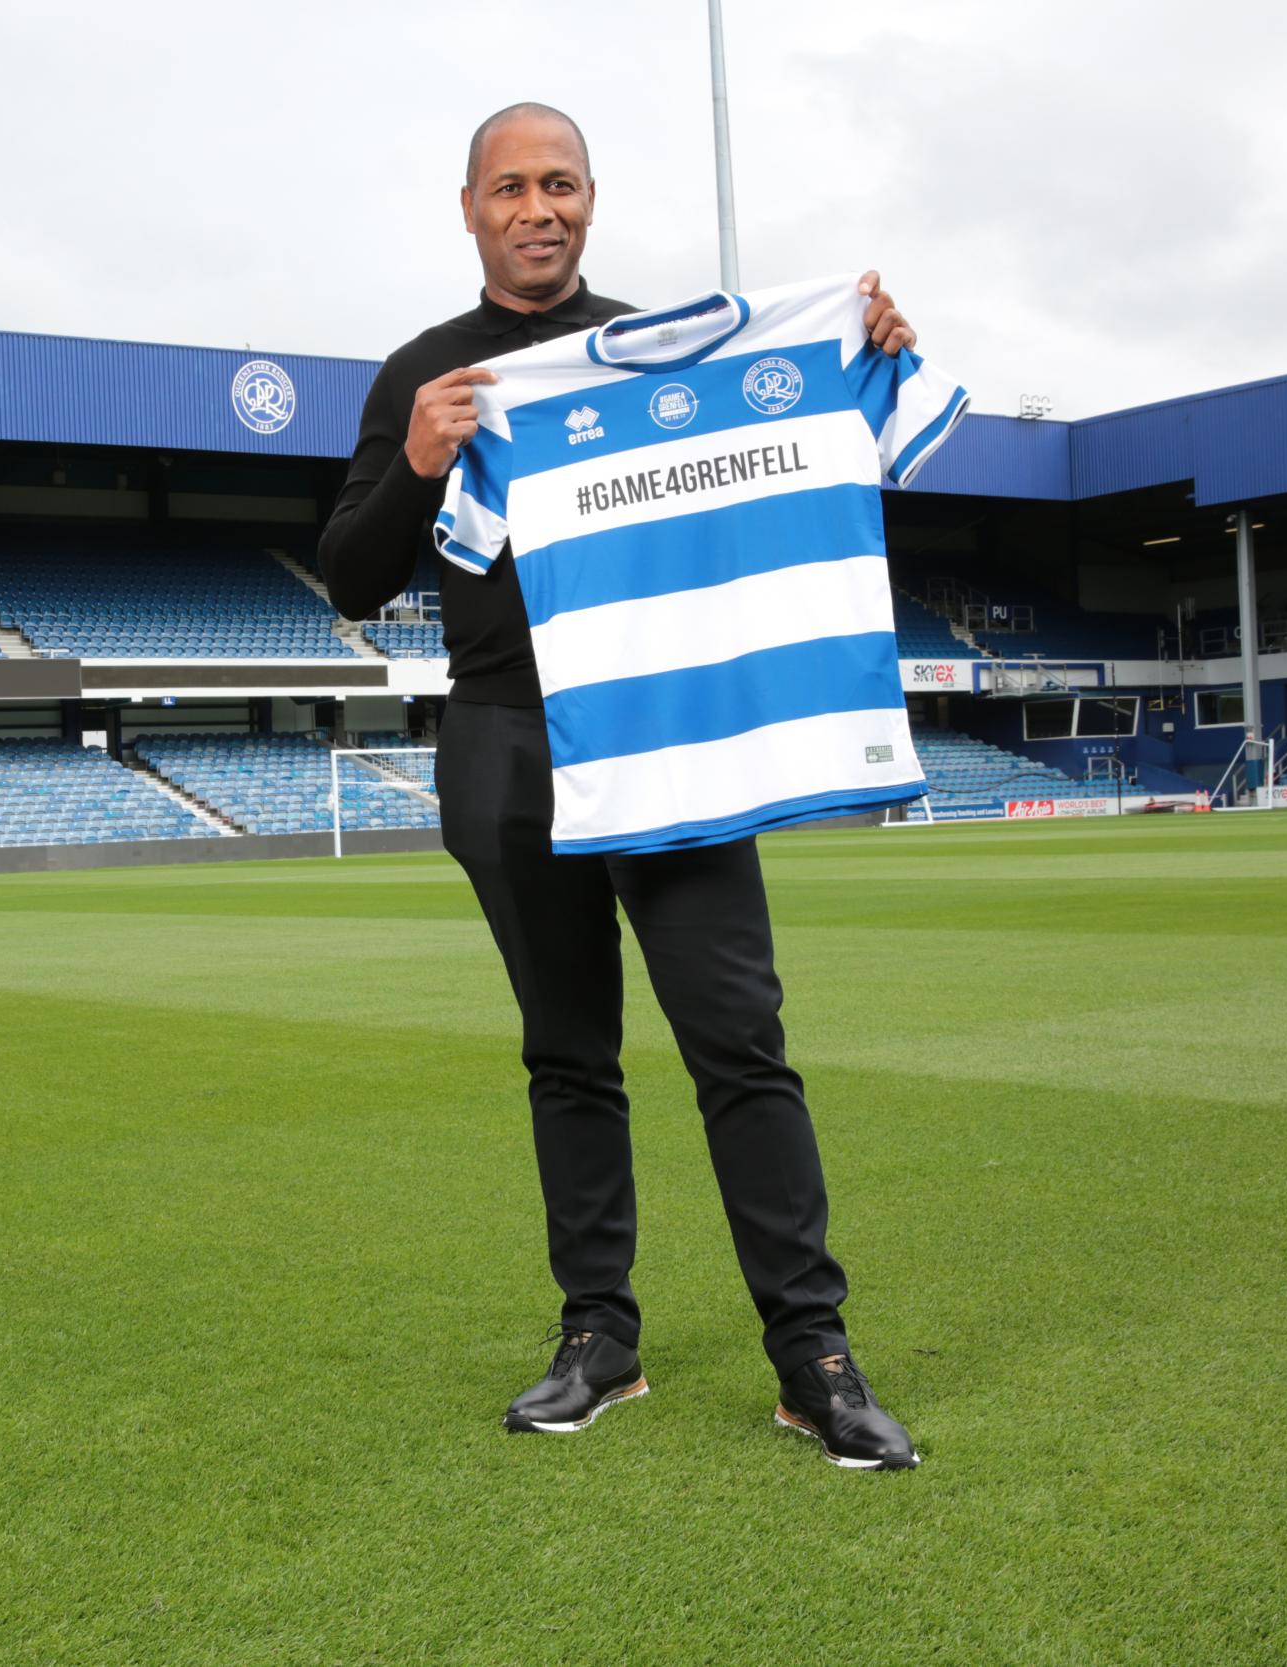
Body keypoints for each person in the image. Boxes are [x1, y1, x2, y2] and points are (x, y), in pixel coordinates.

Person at [317, 102, 921, 1468]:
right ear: (469, 207)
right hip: (503, 738)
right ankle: (601, 1338)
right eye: (513, 186)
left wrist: (854, 359)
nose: (541, 207)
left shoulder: (667, 355)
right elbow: (353, 573)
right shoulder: (423, 375)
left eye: (564, 184)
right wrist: (418, 462)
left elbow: (796, 460)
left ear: (592, 200)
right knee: (568, 1054)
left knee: (739, 1043)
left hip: (670, 732)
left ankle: (814, 1354)